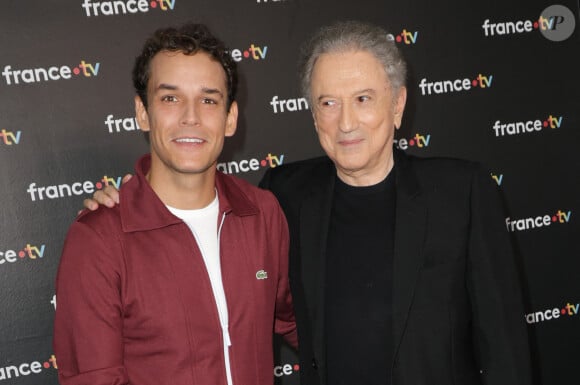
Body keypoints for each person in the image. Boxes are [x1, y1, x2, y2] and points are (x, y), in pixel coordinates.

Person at [85, 21, 532, 385]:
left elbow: (506, 351)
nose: (347, 121)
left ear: (397, 105)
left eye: (363, 99)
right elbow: (198, 197)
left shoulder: (463, 192)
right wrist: (128, 198)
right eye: (328, 103)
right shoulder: (282, 194)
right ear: (313, 113)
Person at [54, 23, 297, 385]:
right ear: (142, 112)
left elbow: (298, 321)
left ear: (230, 118)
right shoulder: (98, 238)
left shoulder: (262, 213)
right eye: (170, 98)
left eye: (209, 99)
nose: (190, 116)